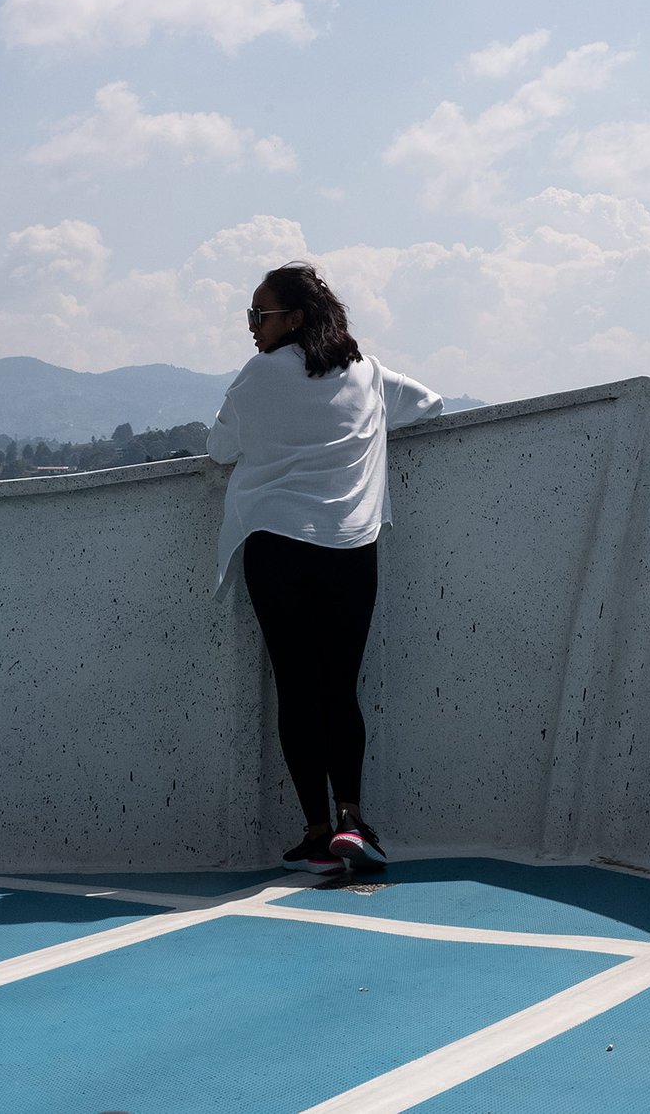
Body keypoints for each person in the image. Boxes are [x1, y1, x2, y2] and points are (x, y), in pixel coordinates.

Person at [206, 262, 442, 876]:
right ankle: (352, 821)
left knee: (296, 687)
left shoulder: (257, 375)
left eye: (259, 315)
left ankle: (315, 835)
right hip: (350, 547)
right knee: (340, 686)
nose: (251, 327)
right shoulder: (366, 372)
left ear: (293, 318)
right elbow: (432, 404)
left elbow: (219, 449)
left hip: (277, 545)